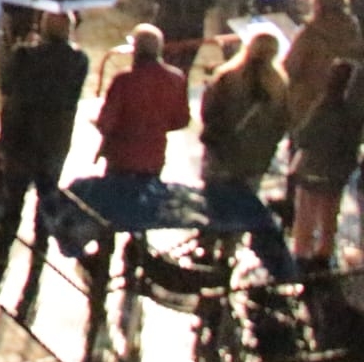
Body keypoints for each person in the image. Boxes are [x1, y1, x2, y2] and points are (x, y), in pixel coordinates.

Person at [0, 12, 89, 292]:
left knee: (13, 201)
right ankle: (40, 254)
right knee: (47, 197)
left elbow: (7, 83)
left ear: (42, 28)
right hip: (54, 143)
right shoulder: (79, 60)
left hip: (21, 141)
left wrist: (22, 46)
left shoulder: (26, 55)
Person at [198, 31, 294, 279]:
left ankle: (205, 248)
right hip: (253, 162)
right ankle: (228, 253)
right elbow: (282, 124)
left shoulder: (228, 77)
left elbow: (209, 113)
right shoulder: (279, 85)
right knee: (241, 205)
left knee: (213, 202)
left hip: (221, 155)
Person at [287, 59, 364, 267]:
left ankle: (301, 258)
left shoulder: (321, 106)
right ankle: (323, 258)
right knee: (329, 220)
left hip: (311, 169)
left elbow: (303, 137)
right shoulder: (353, 116)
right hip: (335, 174)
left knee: (304, 219)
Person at [95, 24, 190, 180]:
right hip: (155, 156)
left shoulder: (123, 80)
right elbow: (182, 120)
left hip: (121, 157)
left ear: (135, 49)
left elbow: (106, 121)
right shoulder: (176, 79)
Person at [281, 0, 364, 131]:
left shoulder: (310, 33)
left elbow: (290, 68)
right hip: (339, 105)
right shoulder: (353, 30)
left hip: (306, 103)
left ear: (317, 4)